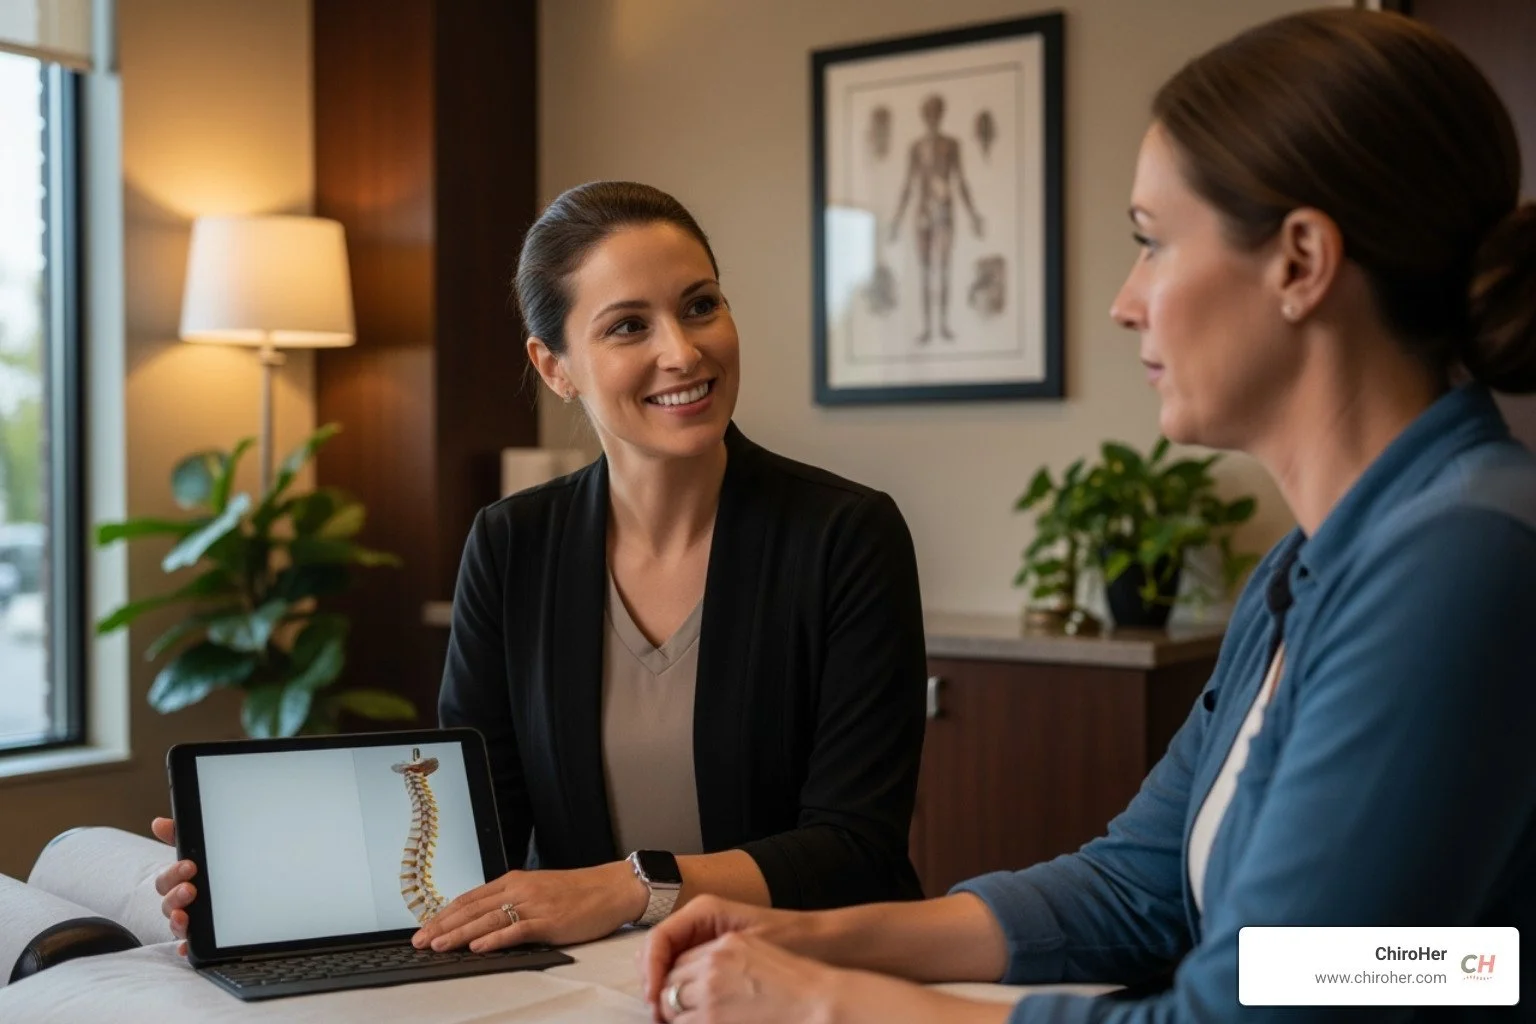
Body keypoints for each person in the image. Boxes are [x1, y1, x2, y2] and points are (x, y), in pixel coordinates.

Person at [638, 10, 1536, 1022]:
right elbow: (1138, 886)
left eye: (1151, 244)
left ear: (1299, 261)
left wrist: (826, 1002)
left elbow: (1264, 1010)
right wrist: (811, 934)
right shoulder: (1311, 567)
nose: (1124, 300)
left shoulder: (1462, 560)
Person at [150, 181, 928, 956]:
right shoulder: (511, 541)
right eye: (629, 326)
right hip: (593, 981)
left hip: (812, 971)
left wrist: (630, 886)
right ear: (554, 366)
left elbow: (855, 849)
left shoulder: (846, 536)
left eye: (700, 306)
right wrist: (261, 884)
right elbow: (475, 821)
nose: (683, 352)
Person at [889, 93, 985, 343]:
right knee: (924, 271)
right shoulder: (915, 148)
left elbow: (960, 181)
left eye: (936, 112)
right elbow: (907, 186)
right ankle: (927, 327)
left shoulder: (951, 145)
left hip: (944, 211)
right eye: (929, 112)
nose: (932, 117)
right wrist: (896, 221)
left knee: (943, 268)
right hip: (922, 213)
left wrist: (973, 215)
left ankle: (942, 324)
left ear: (941, 114)